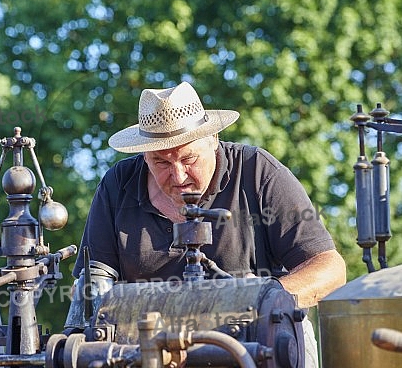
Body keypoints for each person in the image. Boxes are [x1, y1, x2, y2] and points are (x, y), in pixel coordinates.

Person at [71, 81, 346, 367]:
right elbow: (91, 292)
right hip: (151, 351)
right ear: (144, 154)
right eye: (161, 163)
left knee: (294, 323)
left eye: (188, 159)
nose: (178, 177)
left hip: (252, 345)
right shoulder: (117, 186)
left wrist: (262, 298)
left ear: (213, 139)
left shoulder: (259, 172)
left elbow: (330, 269)